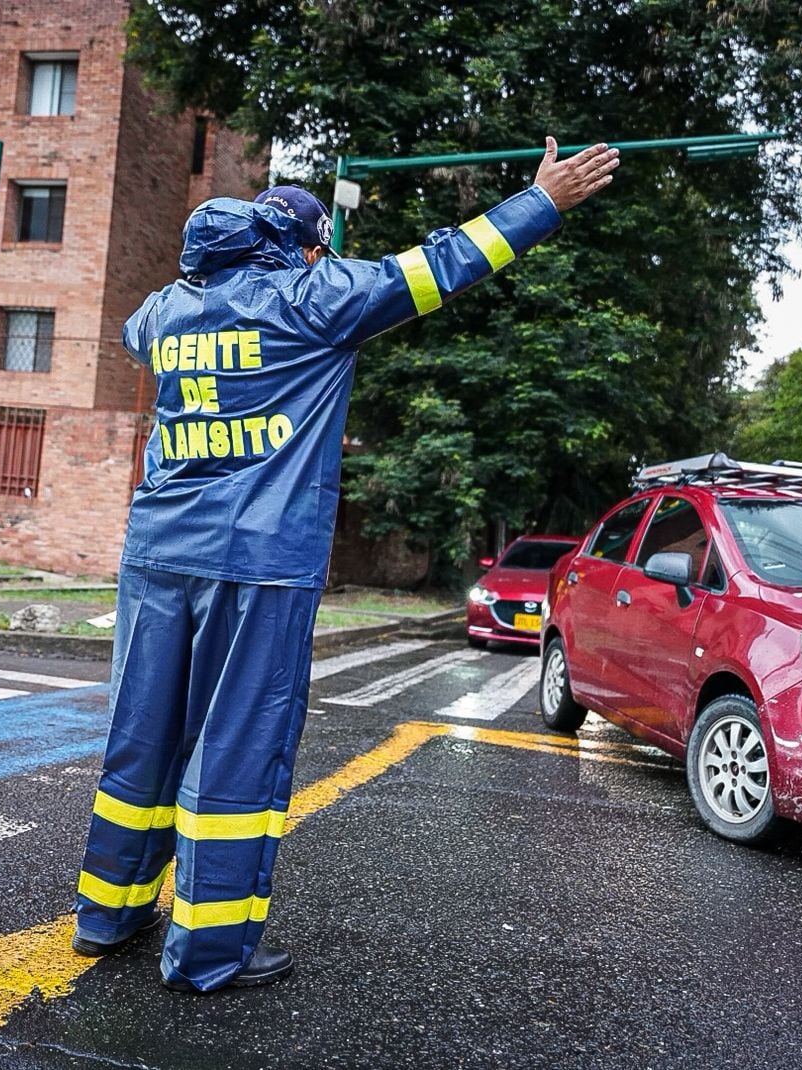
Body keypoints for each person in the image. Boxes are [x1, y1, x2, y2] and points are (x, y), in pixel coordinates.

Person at [71, 136, 620, 993]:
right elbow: (436, 268)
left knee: (141, 736)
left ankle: (107, 916)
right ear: (307, 245)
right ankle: (210, 952)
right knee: (237, 748)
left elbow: (140, 327)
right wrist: (540, 202)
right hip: (258, 562)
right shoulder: (313, 296)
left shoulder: (165, 311)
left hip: (156, 557)